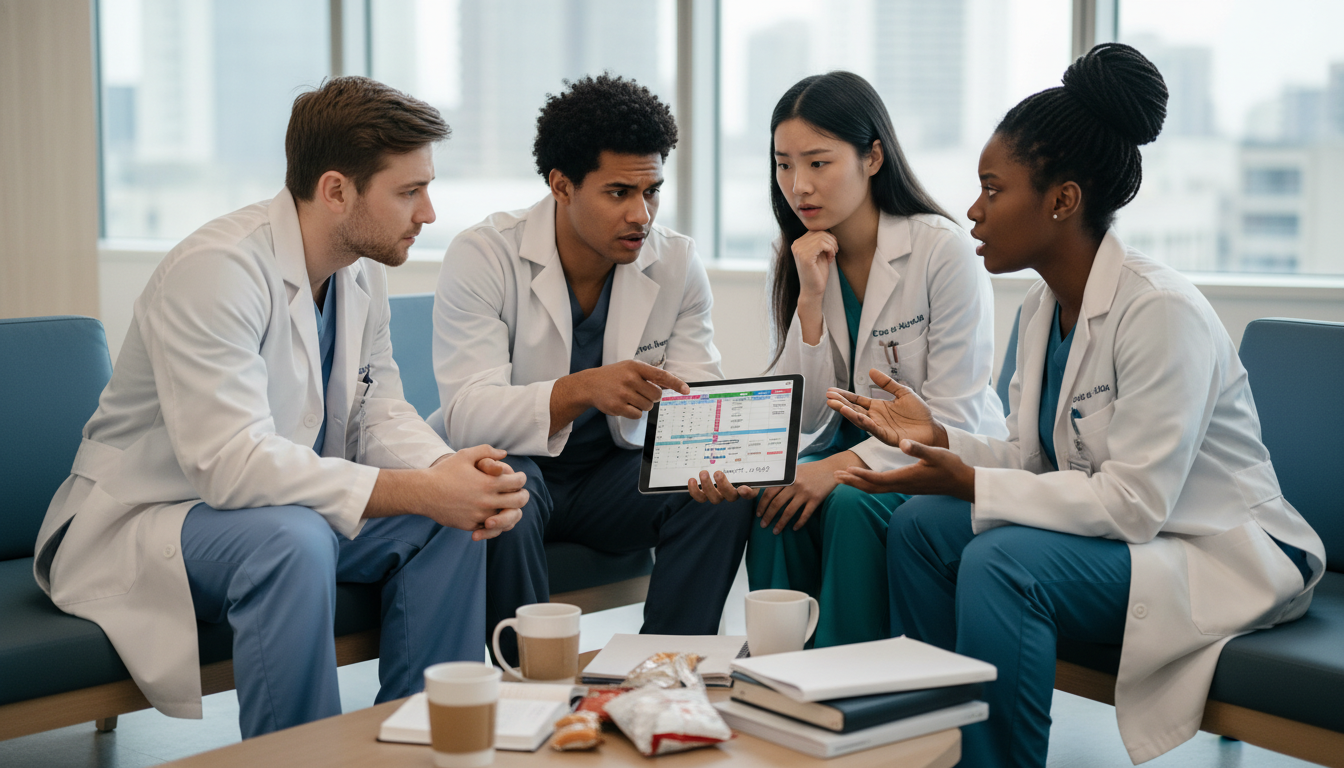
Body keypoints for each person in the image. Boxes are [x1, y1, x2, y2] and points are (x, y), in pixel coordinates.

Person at [826, 44, 1325, 767]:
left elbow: (1133, 504)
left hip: (1221, 549)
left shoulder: (1161, 312)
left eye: (993, 190)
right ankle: (932, 748)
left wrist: (969, 481)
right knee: (921, 528)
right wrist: (942, 439)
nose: (972, 210)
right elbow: (1035, 464)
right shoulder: (1041, 308)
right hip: (1142, 534)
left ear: (1062, 200)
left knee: (1003, 562)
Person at [32, 77, 529, 739]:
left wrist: (448, 475)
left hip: (279, 504)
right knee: (291, 540)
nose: (429, 213)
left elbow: (379, 408)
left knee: (449, 521)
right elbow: (232, 466)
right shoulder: (216, 271)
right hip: (151, 514)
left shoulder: (359, 268)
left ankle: (426, 742)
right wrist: (421, 488)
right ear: (335, 190)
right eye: (409, 192)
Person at [429, 74, 753, 663]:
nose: (642, 214)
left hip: (613, 476)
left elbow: (698, 391)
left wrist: (722, 451)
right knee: (505, 489)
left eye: (652, 191)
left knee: (720, 497)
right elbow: (465, 412)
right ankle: (530, 682)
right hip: (522, 469)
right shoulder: (484, 255)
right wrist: (581, 390)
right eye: (618, 192)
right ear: (561, 185)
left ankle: (664, 677)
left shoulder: (675, 261)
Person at [745, 71, 1006, 647]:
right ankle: (779, 673)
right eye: (783, 164)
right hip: (844, 443)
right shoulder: (802, 256)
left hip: (938, 454)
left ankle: (851, 687)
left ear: (873, 157)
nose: (798, 186)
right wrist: (810, 298)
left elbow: (955, 416)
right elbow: (806, 415)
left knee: (848, 506)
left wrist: (832, 470)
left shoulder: (941, 250)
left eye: (818, 162)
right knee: (773, 504)